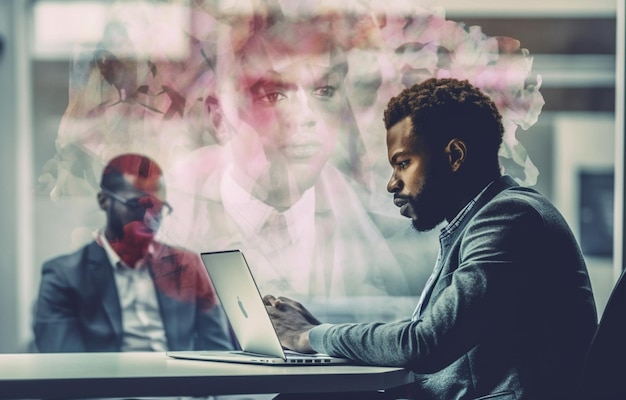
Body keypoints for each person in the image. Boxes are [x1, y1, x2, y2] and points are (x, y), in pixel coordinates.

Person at [264, 78, 598, 399]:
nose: (392, 184)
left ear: (454, 156)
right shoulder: (479, 221)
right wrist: (319, 333)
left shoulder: (509, 218)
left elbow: (426, 343)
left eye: (403, 163)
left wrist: (308, 335)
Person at [162, 19, 415, 321]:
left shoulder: (384, 228)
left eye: (324, 91)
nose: (305, 116)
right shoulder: (167, 222)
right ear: (219, 117)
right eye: (273, 95)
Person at [34, 153, 233, 353]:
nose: (149, 217)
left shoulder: (186, 267)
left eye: (157, 207)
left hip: (178, 382)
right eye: (137, 205)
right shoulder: (64, 277)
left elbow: (220, 351)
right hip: (107, 383)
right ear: (104, 201)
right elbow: (63, 366)